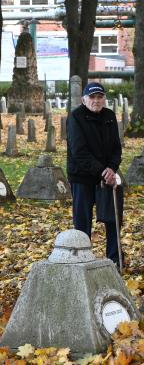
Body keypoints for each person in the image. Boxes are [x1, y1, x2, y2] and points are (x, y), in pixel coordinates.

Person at [67, 82, 123, 265]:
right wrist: (102, 171)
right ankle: (83, 260)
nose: (96, 101)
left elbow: (116, 148)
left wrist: (112, 168)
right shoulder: (75, 117)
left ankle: (114, 259)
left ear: (104, 99)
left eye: (100, 97)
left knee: (113, 219)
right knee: (82, 222)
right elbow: (79, 152)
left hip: (107, 175)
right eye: (92, 97)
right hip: (82, 176)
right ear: (84, 99)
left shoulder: (109, 116)